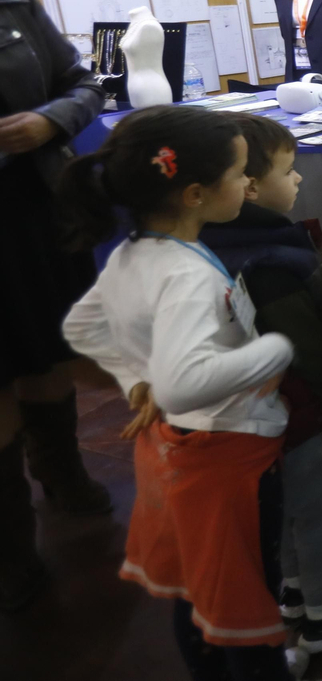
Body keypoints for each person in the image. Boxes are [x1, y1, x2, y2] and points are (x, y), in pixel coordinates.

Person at [57, 107, 300, 679]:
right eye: (241, 173)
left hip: (173, 453)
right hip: (227, 462)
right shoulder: (187, 278)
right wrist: (274, 351)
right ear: (195, 193)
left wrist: (133, 379)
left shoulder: (133, 254)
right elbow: (183, 381)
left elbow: (81, 329)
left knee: (198, 589)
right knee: (243, 594)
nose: (248, 184)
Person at [200, 115, 322, 652]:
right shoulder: (270, 262)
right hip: (302, 417)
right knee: (321, 511)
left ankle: (295, 590)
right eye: (289, 171)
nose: (299, 181)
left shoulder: (220, 245)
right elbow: (306, 352)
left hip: (259, 421)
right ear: (249, 187)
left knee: (288, 509)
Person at [0, 0, 111, 613]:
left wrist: (49, 121)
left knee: (48, 350)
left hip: (34, 210)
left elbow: (86, 82)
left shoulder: (11, 1)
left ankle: (61, 472)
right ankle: (11, 541)